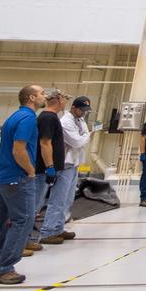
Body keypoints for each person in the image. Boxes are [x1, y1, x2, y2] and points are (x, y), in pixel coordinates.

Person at [0, 85, 45, 285]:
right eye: (41, 93)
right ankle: (5, 268)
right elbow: (18, 149)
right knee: (23, 220)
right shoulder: (28, 119)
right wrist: (31, 171)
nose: (44, 96)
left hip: (3, 177)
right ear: (31, 97)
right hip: (18, 178)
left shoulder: (14, 117)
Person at [40, 95, 91, 243]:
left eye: (86, 110)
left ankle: (58, 228)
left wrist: (84, 136)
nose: (84, 113)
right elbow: (77, 142)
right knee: (58, 199)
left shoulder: (80, 120)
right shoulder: (65, 122)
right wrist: (87, 135)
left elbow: (82, 137)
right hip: (64, 165)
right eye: (82, 110)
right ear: (74, 108)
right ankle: (47, 232)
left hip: (73, 165)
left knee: (67, 199)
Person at [28, 88, 68, 248]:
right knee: (34, 204)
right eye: (64, 99)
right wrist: (49, 167)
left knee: (38, 203)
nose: (65, 102)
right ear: (59, 100)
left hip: (48, 168)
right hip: (42, 170)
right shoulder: (48, 118)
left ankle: (35, 236)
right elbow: (45, 143)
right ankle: (24, 240)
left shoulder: (50, 117)